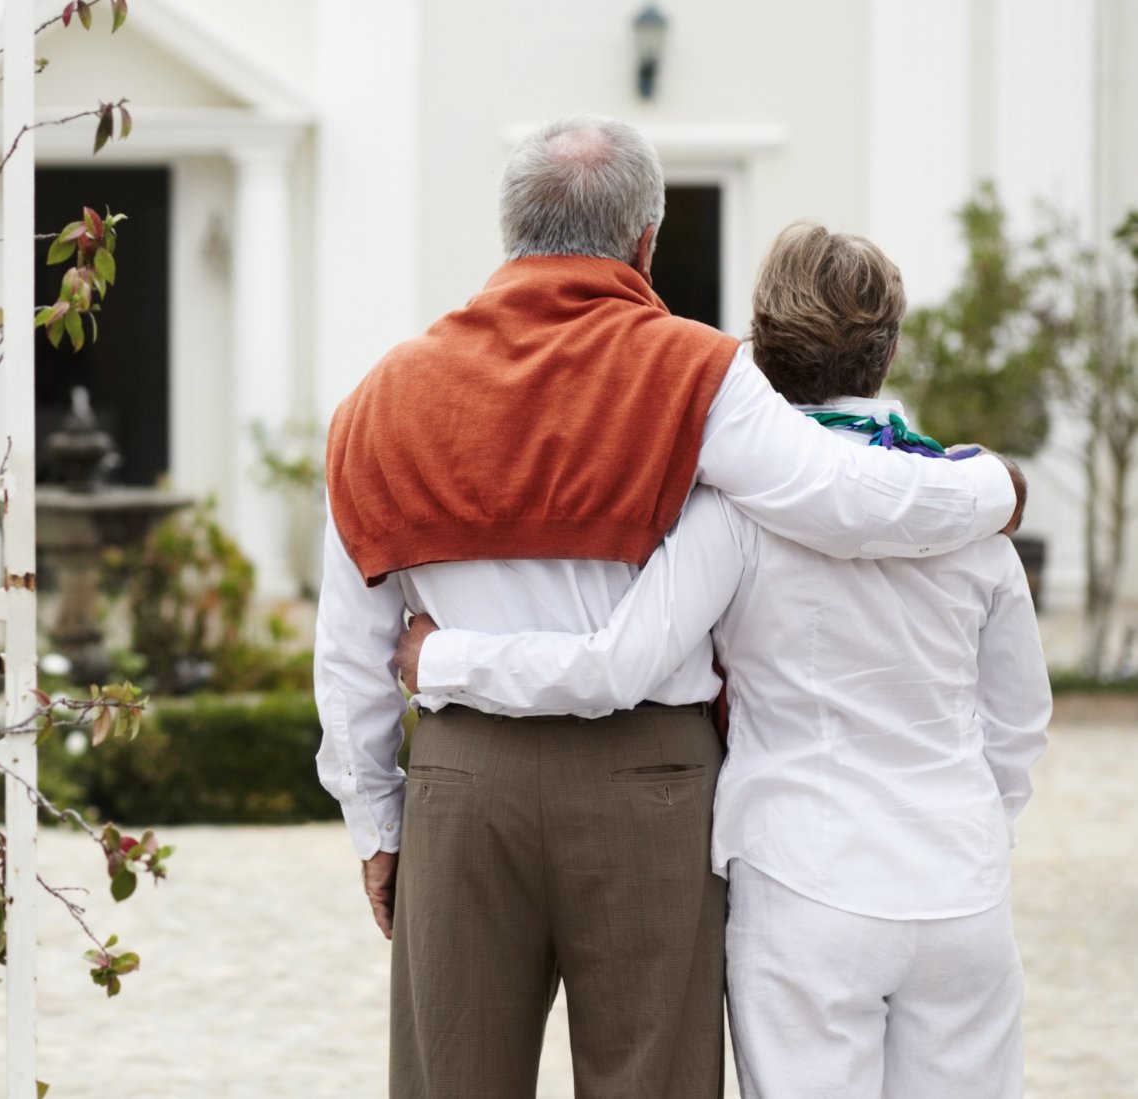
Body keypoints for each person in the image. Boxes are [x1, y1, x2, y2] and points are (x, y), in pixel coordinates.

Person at [315, 116, 1029, 1098]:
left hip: (463, 783)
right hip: (649, 782)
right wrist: (993, 491)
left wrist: (378, 823)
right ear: (646, 240)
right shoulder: (696, 373)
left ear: (508, 229)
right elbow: (842, 500)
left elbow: (350, 646)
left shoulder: (380, 398)